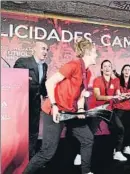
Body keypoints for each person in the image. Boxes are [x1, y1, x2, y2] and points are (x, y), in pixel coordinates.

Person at [23, 38, 97, 174]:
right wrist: (55, 105)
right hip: (54, 111)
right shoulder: (73, 65)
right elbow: (49, 83)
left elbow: (81, 94)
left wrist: (80, 108)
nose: (96, 55)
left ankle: (86, 171)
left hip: (69, 112)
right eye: (94, 52)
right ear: (87, 52)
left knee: (88, 138)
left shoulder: (88, 72)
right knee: (47, 153)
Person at [14, 41, 48, 159]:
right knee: (20, 133)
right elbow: (14, 79)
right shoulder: (23, 62)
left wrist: (46, 95)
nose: (45, 52)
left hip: (35, 104)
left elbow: (42, 84)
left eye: (47, 50)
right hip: (22, 104)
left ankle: (31, 158)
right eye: (43, 49)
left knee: (34, 132)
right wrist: (22, 78)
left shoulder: (44, 66)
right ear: (34, 49)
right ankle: (18, 158)